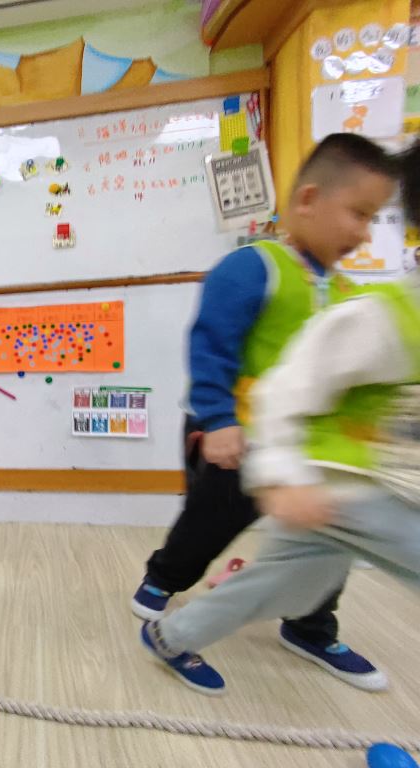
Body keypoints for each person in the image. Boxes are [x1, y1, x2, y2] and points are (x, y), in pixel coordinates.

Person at [140, 142, 420, 696]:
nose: (366, 233)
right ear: (309, 199)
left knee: (314, 555)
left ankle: (308, 626)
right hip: (230, 432)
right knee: (210, 521)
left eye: (374, 218)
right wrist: (218, 418)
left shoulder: (347, 290)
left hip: (311, 455)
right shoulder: (252, 266)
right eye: (359, 214)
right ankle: (164, 579)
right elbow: (210, 347)